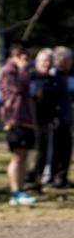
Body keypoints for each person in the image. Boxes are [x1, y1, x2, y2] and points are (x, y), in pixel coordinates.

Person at [0, 42, 37, 205]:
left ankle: (21, 190)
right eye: (23, 56)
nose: (26, 60)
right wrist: (22, 69)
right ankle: (15, 192)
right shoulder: (9, 71)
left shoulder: (20, 71)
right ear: (15, 55)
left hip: (25, 119)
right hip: (14, 118)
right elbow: (18, 88)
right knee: (17, 156)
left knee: (24, 155)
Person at [27, 48, 64, 190]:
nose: (46, 64)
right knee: (32, 153)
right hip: (30, 121)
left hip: (45, 121)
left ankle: (37, 181)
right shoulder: (30, 77)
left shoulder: (52, 79)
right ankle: (28, 180)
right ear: (37, 62)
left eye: (49, 61)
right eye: (44, 61)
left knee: (42, 153)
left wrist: (54, 115)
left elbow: (54, 100)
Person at [50, 46, 72, 187]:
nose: (72, 63)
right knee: (58, 150)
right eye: (70, 59)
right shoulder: (54, 75)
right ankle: (56, 177)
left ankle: (61, 177)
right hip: (57, 119)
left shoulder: (62, 75)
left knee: (66, 149)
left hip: (65, 119)